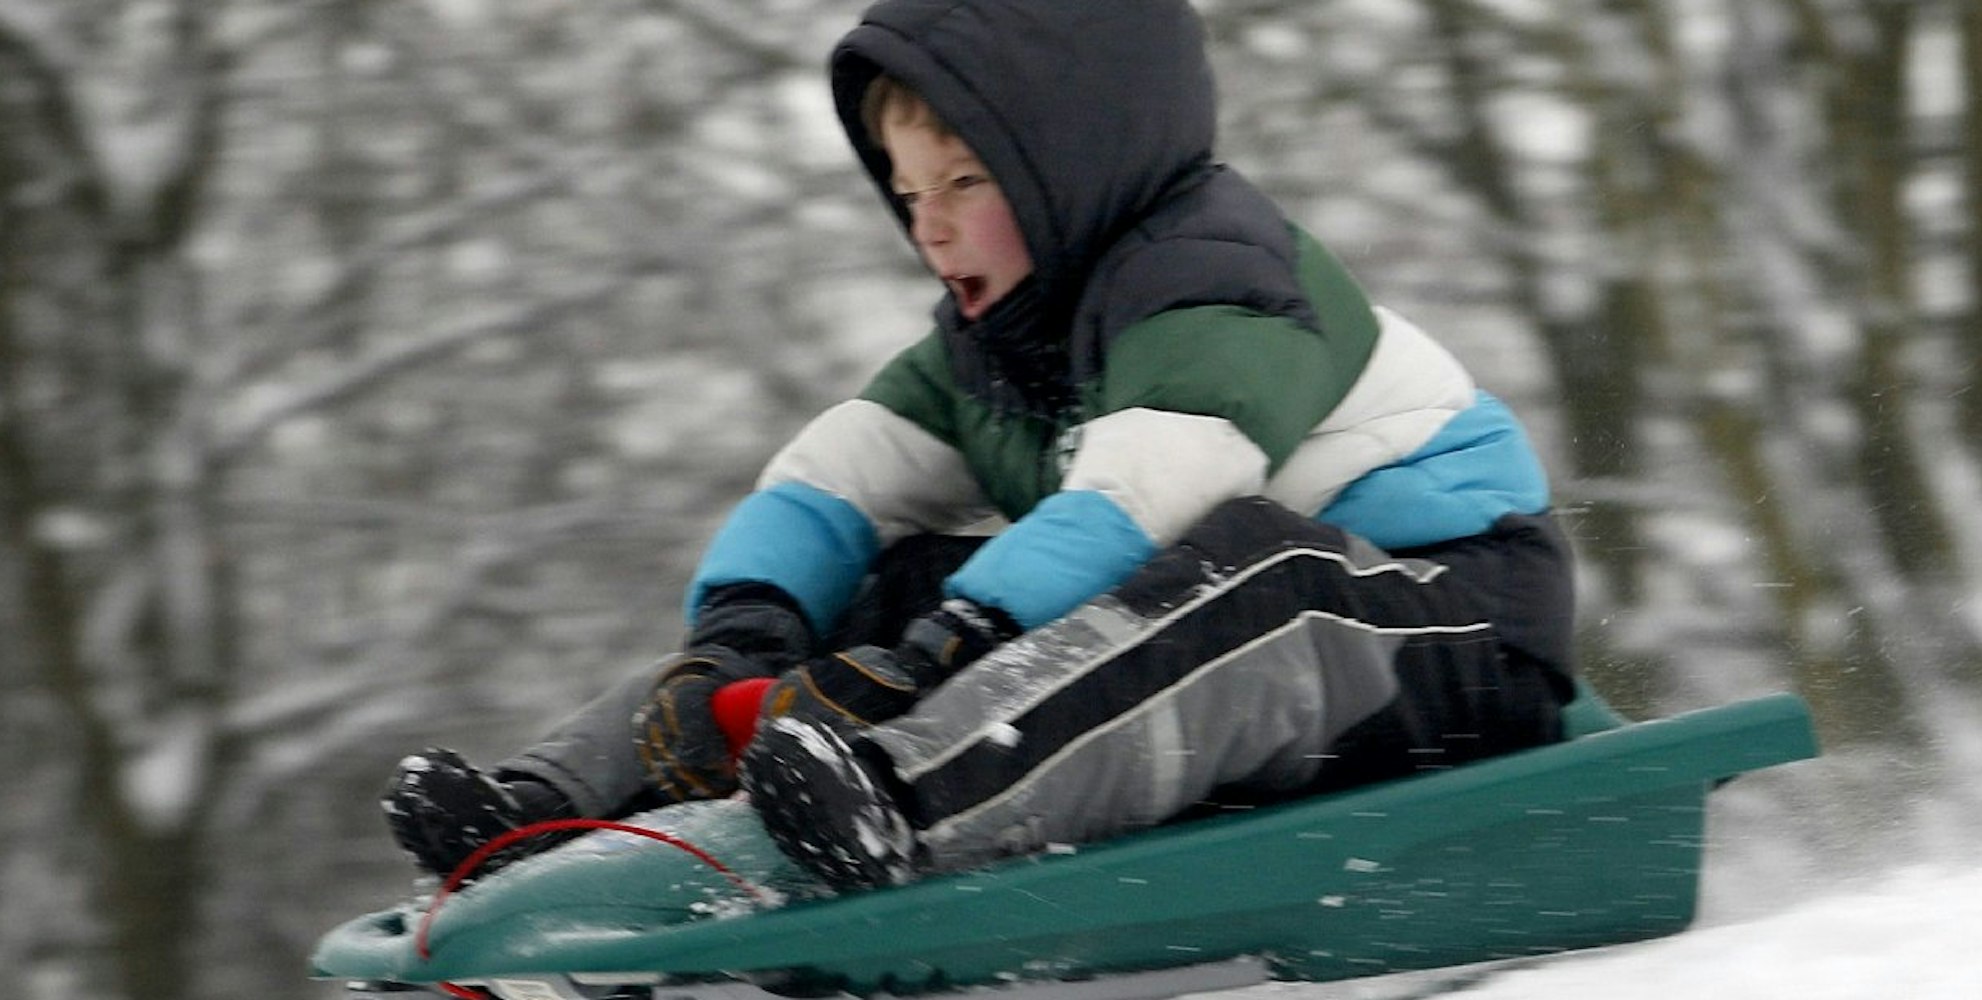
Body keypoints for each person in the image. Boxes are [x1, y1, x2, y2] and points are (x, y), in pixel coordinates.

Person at [382, 0, 1577, 892]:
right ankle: (555, 808)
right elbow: (837, 480)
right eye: (909, 194)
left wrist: (944, 652)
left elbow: (1143, 502)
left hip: (1445, 624)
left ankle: (900, 796)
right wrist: (739, 637)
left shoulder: (1218, 278)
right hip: (1216, 628)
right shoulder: (995, 342)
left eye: (963, 182)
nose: (931, 227)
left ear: (1073, 171)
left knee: (1257, 574)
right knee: (875, 578)